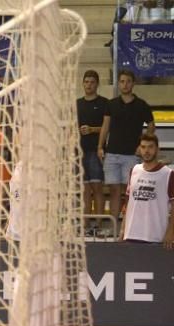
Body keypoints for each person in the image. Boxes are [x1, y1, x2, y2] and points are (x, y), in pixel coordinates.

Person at [98, 69, 154, 225]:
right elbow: (105, 127)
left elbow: (151, 126)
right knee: (114, 191)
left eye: (128, 81)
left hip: (131, 155)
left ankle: (127, 226)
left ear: (133, 83)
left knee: (128, 192)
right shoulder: (111, 104)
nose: (125, 84)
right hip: (112, 154)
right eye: (122, 81)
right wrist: (100, 146)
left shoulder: (141, 105)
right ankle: (115, 226)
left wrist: (142, 146)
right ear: (119, 83)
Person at [122, 134, 174, 248]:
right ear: (139, 149)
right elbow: (128, 202)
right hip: (131, 235)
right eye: (143, 147)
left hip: (155, 236)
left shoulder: (168, 174)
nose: (146, 151)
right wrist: (123, 228)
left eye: (150, 147)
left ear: (157, 149)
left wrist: (170, 232)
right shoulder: (134, 170)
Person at [76, 70, 107, 219]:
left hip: (96, 151)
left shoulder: (104, 103)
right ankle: (85, 225)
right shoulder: (77, 104)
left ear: (97, 84)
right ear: (83, 84)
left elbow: (109, 128)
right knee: (84, 190)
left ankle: (99, 226)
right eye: (86, 82)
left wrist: (92, 129)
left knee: (97, 189)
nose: (89, 85)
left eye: (92, 82)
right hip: (80, 152)